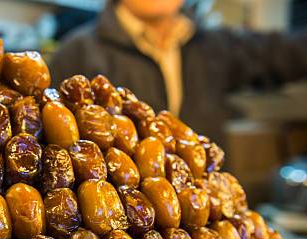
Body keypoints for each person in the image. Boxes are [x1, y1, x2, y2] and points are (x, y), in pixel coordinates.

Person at [48, 0, 307, 144]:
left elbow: (287, 54)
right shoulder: (76, 53)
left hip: (204, 219)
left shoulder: (216, 47)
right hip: (119, 230)